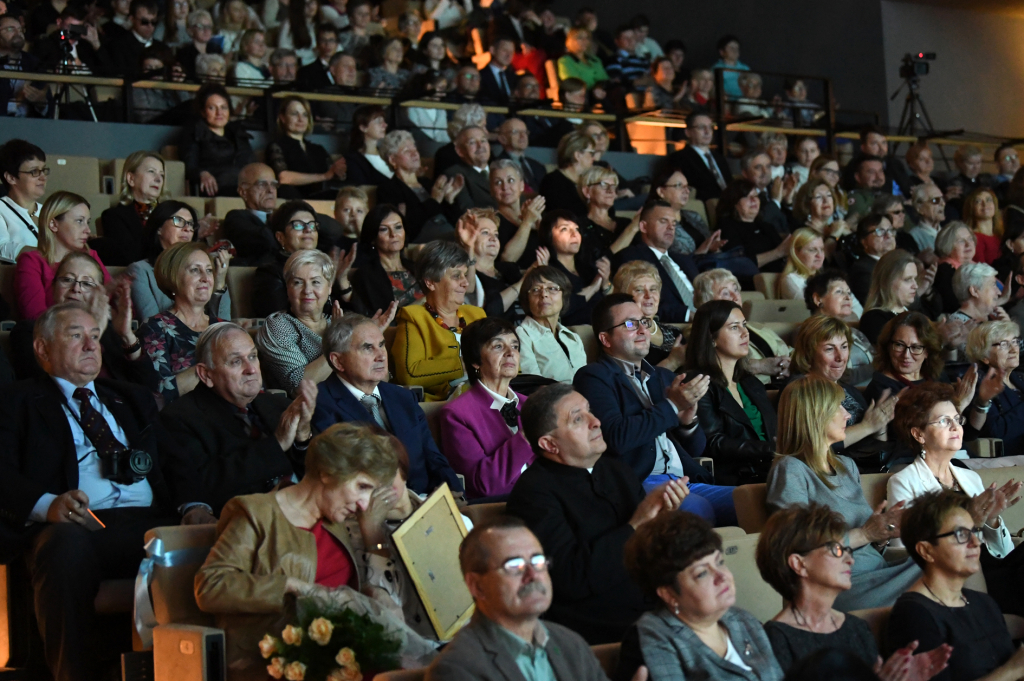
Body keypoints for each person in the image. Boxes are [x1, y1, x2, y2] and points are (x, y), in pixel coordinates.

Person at [0, 301, 194, 681]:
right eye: (76, 336)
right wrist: (47, 505)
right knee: (63, 546)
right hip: (78, 527)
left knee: (216, 535)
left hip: (150, 524)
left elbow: (176, 460)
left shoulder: (130, 397)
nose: (91, 345)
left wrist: (195, 506)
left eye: (94, 336)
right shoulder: (15, 401)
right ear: (42, 349)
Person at [195, 422, 435, 681]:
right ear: (328, 473)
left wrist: (372, 536)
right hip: (288, 657)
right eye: (362, 487)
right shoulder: (257, 513)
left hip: (354, 650)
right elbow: (211, 585)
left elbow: (385, 588)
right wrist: (290, 585)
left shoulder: (345, 520)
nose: (366, 503)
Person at [507, 383, 690, 643]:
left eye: (590, 411)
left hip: (657, 606)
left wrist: (664, 519)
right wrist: (636, 524)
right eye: (578, 419)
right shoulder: (533, 495)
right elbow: (570, 578)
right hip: (598, 625)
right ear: (550, 443)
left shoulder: (616, 470)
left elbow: (656, 552)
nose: (596, 422)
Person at [573, 294, 737, 524]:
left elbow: (696, 448)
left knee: (758, 500)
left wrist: (688, 423)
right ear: (605, 339)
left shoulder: (663, 377)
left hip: (684, 479)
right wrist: (671, 406)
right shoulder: (593, 377)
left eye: (645, 322)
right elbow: (615, 437)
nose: (642, 330)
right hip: (638, 482)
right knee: (698, 510)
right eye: (630, 324)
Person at [766, 375, 920, 610]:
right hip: (839, 585)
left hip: (877, 572)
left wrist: (881, 533)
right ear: (815, 414)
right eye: (838, 407)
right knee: (942, 565)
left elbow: (866, 545)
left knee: (944, 553)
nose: (847, 415)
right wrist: (865, 534)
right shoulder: (791, 469)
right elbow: (797, 547)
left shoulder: (846, 466)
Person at [424, 515, 638, 681]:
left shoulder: (569, 643)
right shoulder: (458, 668)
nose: (533, 575)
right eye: (514, 566)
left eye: (537, 562)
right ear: (477, 585)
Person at [756, 503, 952, 679]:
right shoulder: (774, 640)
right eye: (837, 550)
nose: (850, 560)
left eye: (847, 550)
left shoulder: (856, 627)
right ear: (799, 563)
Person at [888, 382, 1024, 614]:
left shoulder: (969, 477)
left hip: (988, 565)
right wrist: (971, 521)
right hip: (953, 574)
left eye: (957, 419)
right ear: (919, 434)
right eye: (944, 421)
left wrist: (991, 520)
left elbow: (1003, 550)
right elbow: (902, 552)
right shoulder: (903, 481)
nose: (955, 427)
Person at [160, 322, 318, 516]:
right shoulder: (179, 418)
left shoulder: (279, 405)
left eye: (252, 357)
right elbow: (202, 486)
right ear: (206, 374)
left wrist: (303, 439)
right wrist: (275, 444)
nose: (251, 369)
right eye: (236, 361)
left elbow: (321, 474)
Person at [615, 510, 785, 681]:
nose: (721, 576)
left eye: (720, 562)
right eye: (702, 573)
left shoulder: (744, 621)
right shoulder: (654, 637)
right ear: (668, 594)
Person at [311, 314, 464, 497]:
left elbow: (434, 458)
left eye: (382, 345)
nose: (381, 355)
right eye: (368, 348)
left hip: (426, 501)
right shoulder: (320, 404)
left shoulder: (402, 397)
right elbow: (338, 476)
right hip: (371, 509)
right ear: (338, 361)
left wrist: (456, 495)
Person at [886, 490, 1024, 681]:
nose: (976, 543)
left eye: (974, 531)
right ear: (926, 550)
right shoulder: (914, 615)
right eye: (962, 534)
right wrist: (1012, 670)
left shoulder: (982, 602)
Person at [8, 252, 160, 394]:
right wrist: (95, 333)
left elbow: (151, 388)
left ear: (100, 293)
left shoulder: (111, 332)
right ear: (53, 287)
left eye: (87, 284)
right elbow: (48, 389)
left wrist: (127, 336)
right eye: (67, 280)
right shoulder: (30, 332)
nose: (76, 289)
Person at [439, 318, 536, 498]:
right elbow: (482, 485)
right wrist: (526, 435)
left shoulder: (530, 404)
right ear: (475, 361)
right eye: (498, 347)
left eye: (514, 346)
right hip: (502, 509)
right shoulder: (457, 414)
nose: (510, 353)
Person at [685, 300, 776, 485]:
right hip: (737, 476)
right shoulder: (698, 383)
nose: (745, 333)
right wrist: (771, 449)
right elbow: (713, 443)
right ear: (711, 337)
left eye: (744, 325)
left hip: (772, 468)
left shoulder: (751, 382)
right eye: (734, 327)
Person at [790, 314, 897, 461]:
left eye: (844, 347)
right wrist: (867, 426)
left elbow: (877, 449)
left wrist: (881, 423)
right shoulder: (799, 391)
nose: (840, 357)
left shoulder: (850, 391)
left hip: (866, 467)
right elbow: (810, 446)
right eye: (829, 349)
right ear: (809, 353)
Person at [392, 240, 487, 401]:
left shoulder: (477, 314)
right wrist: (465, 365)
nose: (465, 282)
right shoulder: (413, 317)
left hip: (489, 390)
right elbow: (410, 373)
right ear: (430, 282)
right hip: (448, 401)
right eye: (457, 276)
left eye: (465, 275)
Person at [138, 242, 226, 402]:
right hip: (188, 417)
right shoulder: (155, 328)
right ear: (173, 278)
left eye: (208, 270)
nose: (206, 278)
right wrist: (214, 367)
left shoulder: (225, 327)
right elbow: (160, 393)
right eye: (195, 270)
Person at [127, 200, 231, 321]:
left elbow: (223, 325)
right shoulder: (140, 271)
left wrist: (219, 282)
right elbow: (152, 325)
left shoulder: (203, 269)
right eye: (179, 221)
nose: (188, 229)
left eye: (191, 224)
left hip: (209, 338)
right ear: (159, 227)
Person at [15, 191, 111, 321]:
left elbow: (113, 304)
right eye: (79, 221)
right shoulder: (32, 261)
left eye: (87, 222)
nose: (87, 230)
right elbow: (35, 316)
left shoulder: (90, 256)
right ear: (53, 224)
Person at [255, 250, 342, 392]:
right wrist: (338, 344)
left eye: (315, 282)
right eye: (298, 283)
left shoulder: (337, 323)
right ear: (288, 288)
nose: (307, 290)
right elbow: (299, 386)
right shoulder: (279, 326)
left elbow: (379, 376)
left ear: (329, 287)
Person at [692, 269, 793, 383]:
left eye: (736, 290)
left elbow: (788, 351)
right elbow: (710, 367)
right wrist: (759, 366)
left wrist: (792, 363)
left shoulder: (756, 326)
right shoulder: (700, 331)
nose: (736, 296)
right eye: (726, 293)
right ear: (708, 302)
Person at [251, 200, 346, 318]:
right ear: (280, 237)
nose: (308, 230)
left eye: (312, 225)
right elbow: (278, 318)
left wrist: (342, 281)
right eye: (298, 225)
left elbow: (345, 314)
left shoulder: (322, 269)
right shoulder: (270, 273)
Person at [615, 201, 699, 323]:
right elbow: (639, 302)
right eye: (663, 221)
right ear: (643, 227)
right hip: (675, 326)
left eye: (674, 223)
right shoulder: (632, 257)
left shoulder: (684, 260)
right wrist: (688, 315)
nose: (671, 227)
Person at [376, 130, 461, 242]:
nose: (415, 153)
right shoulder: (388, 189)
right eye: (407, 151)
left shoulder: (427, 183)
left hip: (447, 235)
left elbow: (453, 220)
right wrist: (434, 200)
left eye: (415, 149)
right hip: (425, 241)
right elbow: (407, 225)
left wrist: (450, 201)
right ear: (392, 160)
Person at [179, 83, 256, 197]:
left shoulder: (238, 134)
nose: (219, 113)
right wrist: (202, 173)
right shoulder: (195, 133)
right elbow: (190, 166)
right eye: (212, 107)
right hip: (217, 190)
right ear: (203, 112)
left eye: (223, 107)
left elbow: (251, 164)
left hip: (245, 189)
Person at [459, 208, 534, 322]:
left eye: (496, 234)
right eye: (485, 232)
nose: (493, 238)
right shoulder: (467, 276)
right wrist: (469, 248)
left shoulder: (509, 269)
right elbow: (469, 292)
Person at [265, 95, 347, 200]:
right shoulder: (276, 146)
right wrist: (324, 176)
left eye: (305, 115)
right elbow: (283, 178)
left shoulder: (318, 149)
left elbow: (332, 174)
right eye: (295, 114)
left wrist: (339, 172)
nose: (301, 119)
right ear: (282, 118)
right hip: (292, 200)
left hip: (319, 198)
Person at [539, 209, 611, 326]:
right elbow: (563, 307)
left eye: (577, 229)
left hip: (606, 326)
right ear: (549, 236)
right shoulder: (549, 270)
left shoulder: (589, 267)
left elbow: (613, 299)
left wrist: (605, 283)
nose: (574, 234)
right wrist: (593, 287)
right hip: (577, 331)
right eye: (564, 229)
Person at [515, 265, 588, 381]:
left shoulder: (572, 337)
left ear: (563, 297)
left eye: (552, 288)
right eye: (536, 290)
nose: (544, 294)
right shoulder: (521, 336)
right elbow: (532, 385)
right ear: (527, 299)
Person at [95, 151, 168, 266]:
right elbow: (130, 258)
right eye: (151, 172)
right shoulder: (113, 217)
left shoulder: (173, 214)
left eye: (162, 175)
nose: (158, 179)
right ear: (131, 179)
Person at [349, 204, 421, 315]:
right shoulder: (366, 275)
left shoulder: (417, 267)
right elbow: (382, 317)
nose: (393, 234)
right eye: (384, 229)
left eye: (398, 227)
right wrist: (424, 302)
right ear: (372, 238)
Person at [964, 321, 1024, 453]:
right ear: (984, 356)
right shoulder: (978, 384)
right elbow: (996, 431)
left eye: (1015, 342)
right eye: (1003, 344)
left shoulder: (1020, 378)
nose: (1013, 349)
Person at [614, 260, 686, 371]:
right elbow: (634, 383)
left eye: (653, 289)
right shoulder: (624, 334)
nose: (649, 295)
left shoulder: (675, 333)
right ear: (624, 296)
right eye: (639, 290)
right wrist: (672, 362)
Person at [802, 270, 871, 376]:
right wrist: (876, 368)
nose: (848, 298)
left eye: (849, 293)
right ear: (818, 299)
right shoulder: (810, 333)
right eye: (839, 292)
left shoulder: (855, 333)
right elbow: (838, 376)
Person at [716, 179, 791, 274]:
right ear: (734, 203)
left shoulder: (766, 226)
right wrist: (778, 252)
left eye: (756, 196)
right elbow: (739, 264)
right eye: (747, 196)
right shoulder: (727, 227)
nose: (754, 199)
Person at [860, 250, 930, 344]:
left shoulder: (915, 313)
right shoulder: (874, 320)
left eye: (915, 279)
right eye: (907, 280)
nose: (915, 286)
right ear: (888, 282)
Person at [221, 163, 281, 266]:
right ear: (243, 192)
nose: (271, 190)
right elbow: (266, 241)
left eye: (274, 185)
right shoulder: (235, 217)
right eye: (262, 184)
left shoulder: (286, 214)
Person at [490, 159, 546, 267]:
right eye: (498, 182)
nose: (505, 187)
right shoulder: (492, 221)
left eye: (510, 180)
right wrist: (527, 223)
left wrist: (540, 228)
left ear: (521, 185)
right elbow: (507, 259)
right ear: (492, 190)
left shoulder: (532, 214)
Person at [664, 112, 730, 201]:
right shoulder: (679, 158)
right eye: (701, 127)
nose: (707, 132)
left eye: (710, 127)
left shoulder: (720, 158)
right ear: (688, 132)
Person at [579, 166, 641, 257]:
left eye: (613, 187)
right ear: (587, 192)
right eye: (604, 185)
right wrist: (632, 228)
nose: (611, 191)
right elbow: (601, 263)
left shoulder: (625, 223)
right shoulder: (580, 226)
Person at [0, 139, 45, 263]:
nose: (43, 177)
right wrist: (48, 255)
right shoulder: (1, 209)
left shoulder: (50, 211)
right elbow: (2, 248)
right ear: (11, 178)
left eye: (43, 170)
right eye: (34, 171)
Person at [105, 0, 169, 79]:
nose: (150, 26)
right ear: (132, 19)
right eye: (144, 22)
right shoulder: (118, 46)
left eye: (153, 22)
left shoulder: (163, 48)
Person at [540, 131, 595, 218]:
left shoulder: (589, 181)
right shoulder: (552, 181)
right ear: (577, 155)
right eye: (591, 153)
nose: (594, 158)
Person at [445, 126, 498, 213]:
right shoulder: (455, 174)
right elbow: (467, 212)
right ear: (460, 151)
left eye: (483, 140)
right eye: (472, 142)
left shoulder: (500, 169)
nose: (480, 146)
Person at [848, 214, 897, 306]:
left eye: (890, 230)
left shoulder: (898, 263)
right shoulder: (862, 270)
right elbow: (876, 305)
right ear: (864, 241)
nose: (888, 235)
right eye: (880, 231)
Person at [790, 178, 851, 250]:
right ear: (806, 204)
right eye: (819, 197)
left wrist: (848, 234)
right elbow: (820, 259)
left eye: (829, 195)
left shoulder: (834, 227)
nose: (826, 200)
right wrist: (835, 235)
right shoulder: (802, 232)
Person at [493, 118, 547, 196]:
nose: (522, 136)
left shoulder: (538, 167)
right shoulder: (497, 166)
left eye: (525, 132)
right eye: (515, 132)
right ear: (502, 139)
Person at [933, 222, 977, 314]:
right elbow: (953, 306)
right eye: (961, 241)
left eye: (970, 239)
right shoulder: (945, 271)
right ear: (947, 245)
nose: (968, 244)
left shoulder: (977, 266)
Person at [344, 105, 393, 187]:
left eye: (384, 121)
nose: (385, 125)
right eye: (378, 121)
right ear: (363, 128)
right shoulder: (353, 160)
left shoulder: (388, 155)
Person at [948, 262, 1008, 327]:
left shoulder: (997, 318)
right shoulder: (958, 326)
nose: (999, 292)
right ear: (974, 291)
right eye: (993, 285)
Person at [777, 228, 825, 301]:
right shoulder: (791, 280)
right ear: (795, 252)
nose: (820, 255)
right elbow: (815, 308)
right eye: (812, 250)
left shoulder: (825, 277)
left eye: (822, 249)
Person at [177, 10, 222, 80]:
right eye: (200, 26)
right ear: (191, 30)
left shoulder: (216, 49)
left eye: (208, 26)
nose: (206, 30)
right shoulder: (184, 53)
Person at [962, 187, 1003, 265]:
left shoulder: (1000, 235)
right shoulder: (973, 238)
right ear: (971, 208)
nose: (985, 204)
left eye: (989, 200)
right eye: (978, 201)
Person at [907, 184, 948, 254]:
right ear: (920, 209)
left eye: (943, 199)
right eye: (935, 200)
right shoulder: (913, 237)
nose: (943, 203)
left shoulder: (948, 232)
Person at [711, 34, 750, 100]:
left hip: (743, 101)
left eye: (737, 48)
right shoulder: (716, 68)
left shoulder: (745, 68)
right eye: (731, 48)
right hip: (725, 102)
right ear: (722, 52)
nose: (735, 51)